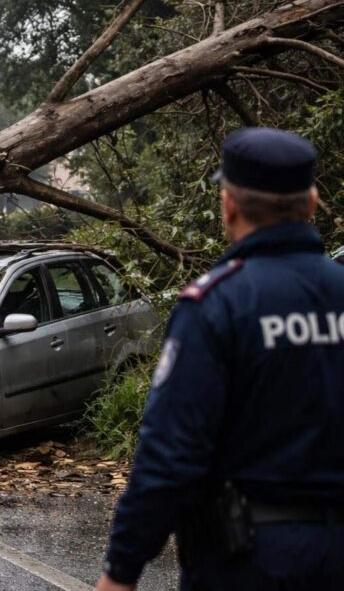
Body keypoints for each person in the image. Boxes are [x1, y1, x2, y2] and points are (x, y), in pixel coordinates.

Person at [97, 128, 344, 591]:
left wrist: (121, 571)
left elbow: (170, 456)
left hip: (247, 563)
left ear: (228, 207)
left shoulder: (218, 304)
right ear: (312, 203)